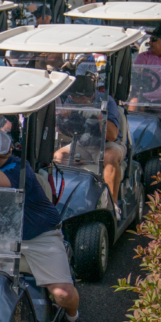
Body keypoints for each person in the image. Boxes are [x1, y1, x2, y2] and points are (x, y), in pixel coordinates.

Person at [0, 127, 84, 322]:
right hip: (0, 234)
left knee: (63, 294)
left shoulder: (19, 169)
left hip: (39, 236)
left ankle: (73, 319)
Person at [53, 74, 125, 220]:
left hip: (107, 144)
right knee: (58, 157)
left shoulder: (106, 100)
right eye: (72, 97)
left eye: (77, 98)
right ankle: (60, 202)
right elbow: (64, 131)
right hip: (84, 142)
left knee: (109, 157)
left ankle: (113, 206)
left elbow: (112, 135)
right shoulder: (70, 100)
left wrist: (99, 116)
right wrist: (63, 117)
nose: (74, 100)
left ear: (85, 97)